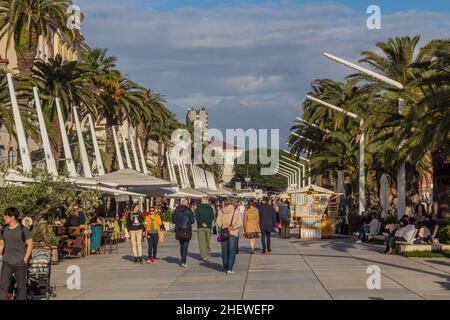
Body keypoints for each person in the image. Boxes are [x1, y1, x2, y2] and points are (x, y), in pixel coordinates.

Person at [0, 207, 33, 300]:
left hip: (20, 263)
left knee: (21, 287)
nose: (4, 217)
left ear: (12, 217)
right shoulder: (3, 229)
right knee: (2, 286)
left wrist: (25, 260)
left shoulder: (23, 229)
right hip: (7, 262)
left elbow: (30, 244)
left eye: (6, 216)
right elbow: (1, 244)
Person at [217, 200, 242, 274]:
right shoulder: (236, 211)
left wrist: (223, 226)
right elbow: (239, 222)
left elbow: (218, 221)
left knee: (224, 251)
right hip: (233, 233)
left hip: (224, 232)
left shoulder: (221, 211)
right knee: (232, 251)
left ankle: (225, 266)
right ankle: (230, 268)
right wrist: (232, 227)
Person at [172, 199, 195, 268]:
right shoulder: (189, 210)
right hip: (187, 230)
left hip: (179, 229)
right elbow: (192, 221)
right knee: (185, 245)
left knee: (181, 244)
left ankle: (183, 258)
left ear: (181, 203)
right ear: (187, 204)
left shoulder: (176, 210)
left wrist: (178, 223)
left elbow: (173, 220)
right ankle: (183, 261)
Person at [195, 198, 215, 262]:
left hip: (200, 227)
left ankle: (204, 256)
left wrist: (202, 223)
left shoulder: (198, 209)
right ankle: (207, 253)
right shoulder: (210, 208)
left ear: (201, 201)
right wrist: (207, 223)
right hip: (208, 227)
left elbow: (196, 217)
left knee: (201, 242)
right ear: (207, 201)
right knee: (207, 240)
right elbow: (212, 217)